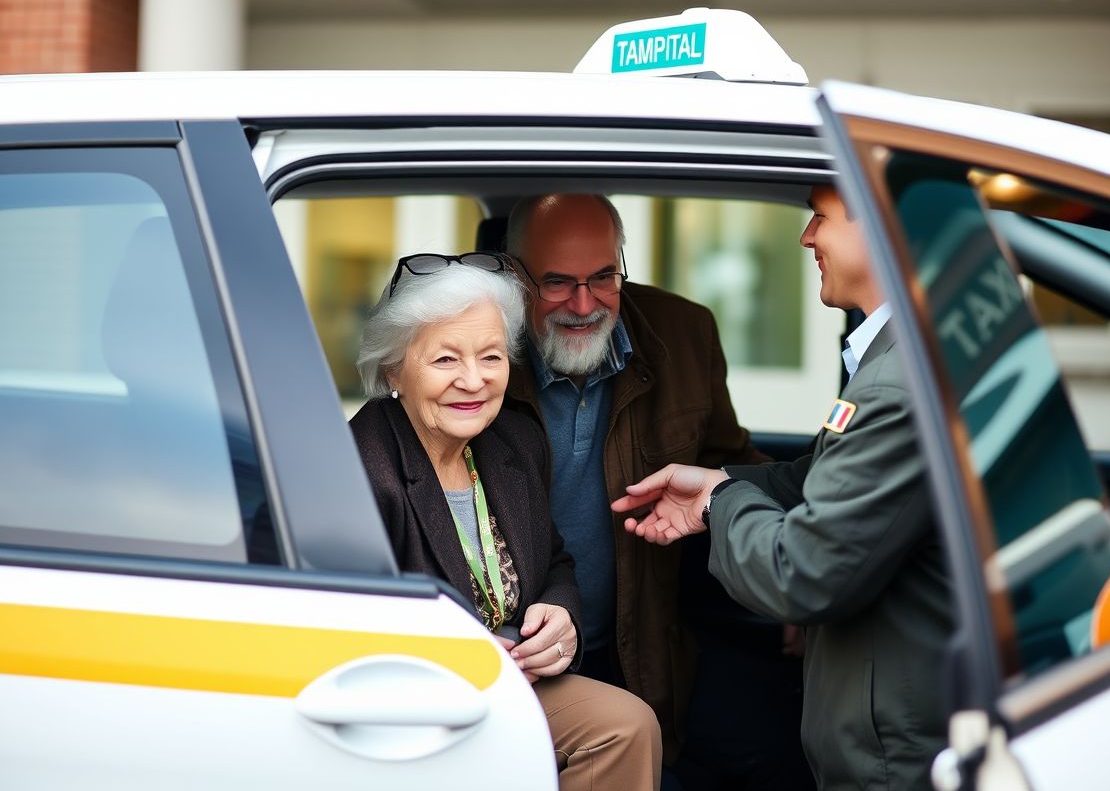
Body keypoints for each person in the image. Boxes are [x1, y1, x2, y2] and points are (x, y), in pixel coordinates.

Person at [612, 185, 954, 790]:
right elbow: (822, 479)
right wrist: (721, 480)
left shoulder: (895, 385)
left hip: (894, 754)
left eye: (820, 218)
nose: (806, 237)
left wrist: (720, 502)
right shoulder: (898, 359)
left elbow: (802, 571)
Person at [350, 252, 661, 791]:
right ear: (393, 368)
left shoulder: (515, 443)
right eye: (446, 360)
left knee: (626, 726)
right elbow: (343, 624)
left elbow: (554, 562)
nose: (474, 381)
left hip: (509, 679)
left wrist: (560, 616)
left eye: (491, 357)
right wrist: (454, 653)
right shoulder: (359, 469)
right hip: (412, 697)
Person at [502, 194, 769, 763]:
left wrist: (792, 568)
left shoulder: (684, 334)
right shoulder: (475, 349)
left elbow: (732, 465)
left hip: (640, 657)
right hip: (509, 664)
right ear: (514, 278)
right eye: (557, 283)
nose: (584, 303)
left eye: (603, 277)